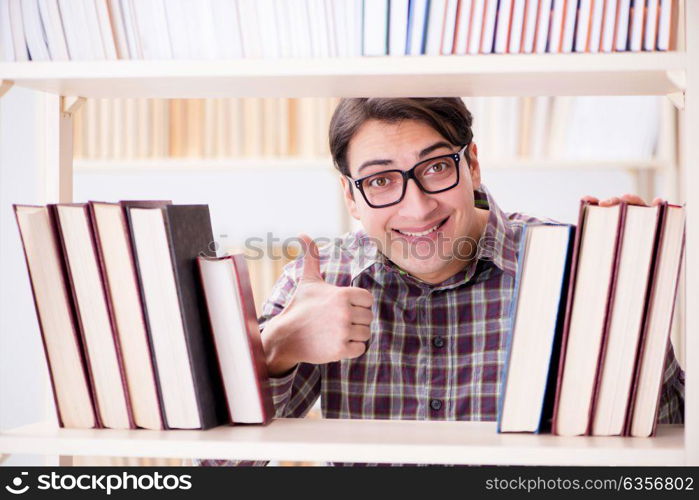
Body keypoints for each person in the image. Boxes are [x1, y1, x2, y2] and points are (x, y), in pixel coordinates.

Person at [197, 98, 684, 466]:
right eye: (381, 180)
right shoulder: (320, 279)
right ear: (350, 196)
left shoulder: (577, 267)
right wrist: (279, 346)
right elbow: (215, 470)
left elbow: (671, 453)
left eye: (435, 167)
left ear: (471, 165)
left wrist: (632, 297)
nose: (417, 207)